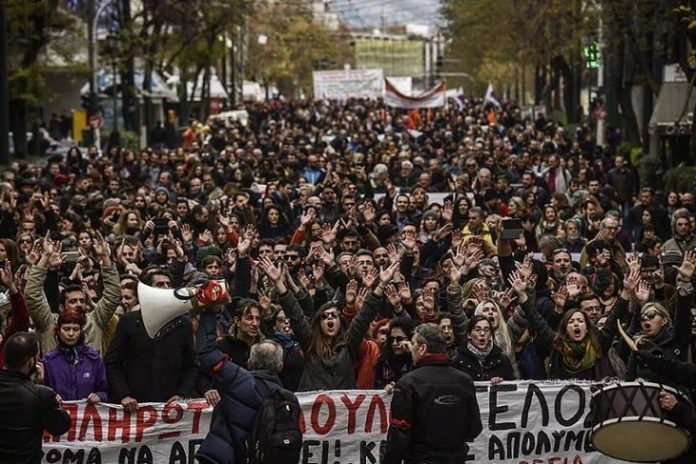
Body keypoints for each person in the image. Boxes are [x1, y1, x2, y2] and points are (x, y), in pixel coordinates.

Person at [195, 308, 301, 464]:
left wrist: (209, 310)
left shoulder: (237, 380)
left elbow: (206, 353)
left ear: (250, 363)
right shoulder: (290, 400)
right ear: (280, 366)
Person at [383, 323, 483, 464]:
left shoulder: (407, 384)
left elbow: (398, 438)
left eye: (413, 344)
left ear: (423, 348)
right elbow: (474, 429)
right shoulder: (464, 381)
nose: (411, 349)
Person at [0, 332, 71, 463]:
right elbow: (60, 427)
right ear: (31, 361)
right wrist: (44, 390)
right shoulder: (41, 394)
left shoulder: (38, 394)